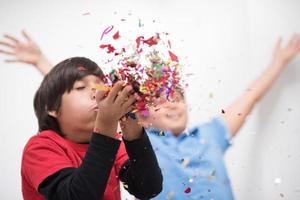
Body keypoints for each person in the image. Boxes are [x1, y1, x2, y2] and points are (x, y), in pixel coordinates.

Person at [1, 31, 300, 200]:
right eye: (159, 99)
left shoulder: (205, 137)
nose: (171, 103)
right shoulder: (52, 145)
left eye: (178, 98)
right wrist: (43, 62)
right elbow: (68, 97)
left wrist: (279, 63)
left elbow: (147, 188)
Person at [19, 56, 163, 199]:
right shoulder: (40, 148)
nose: (97, 92)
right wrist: (106, 125)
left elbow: (148, 188)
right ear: (52, 107)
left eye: (101, 85)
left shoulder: (115, 144)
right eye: (81, 87)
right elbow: (78, 195)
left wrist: (132, 127)